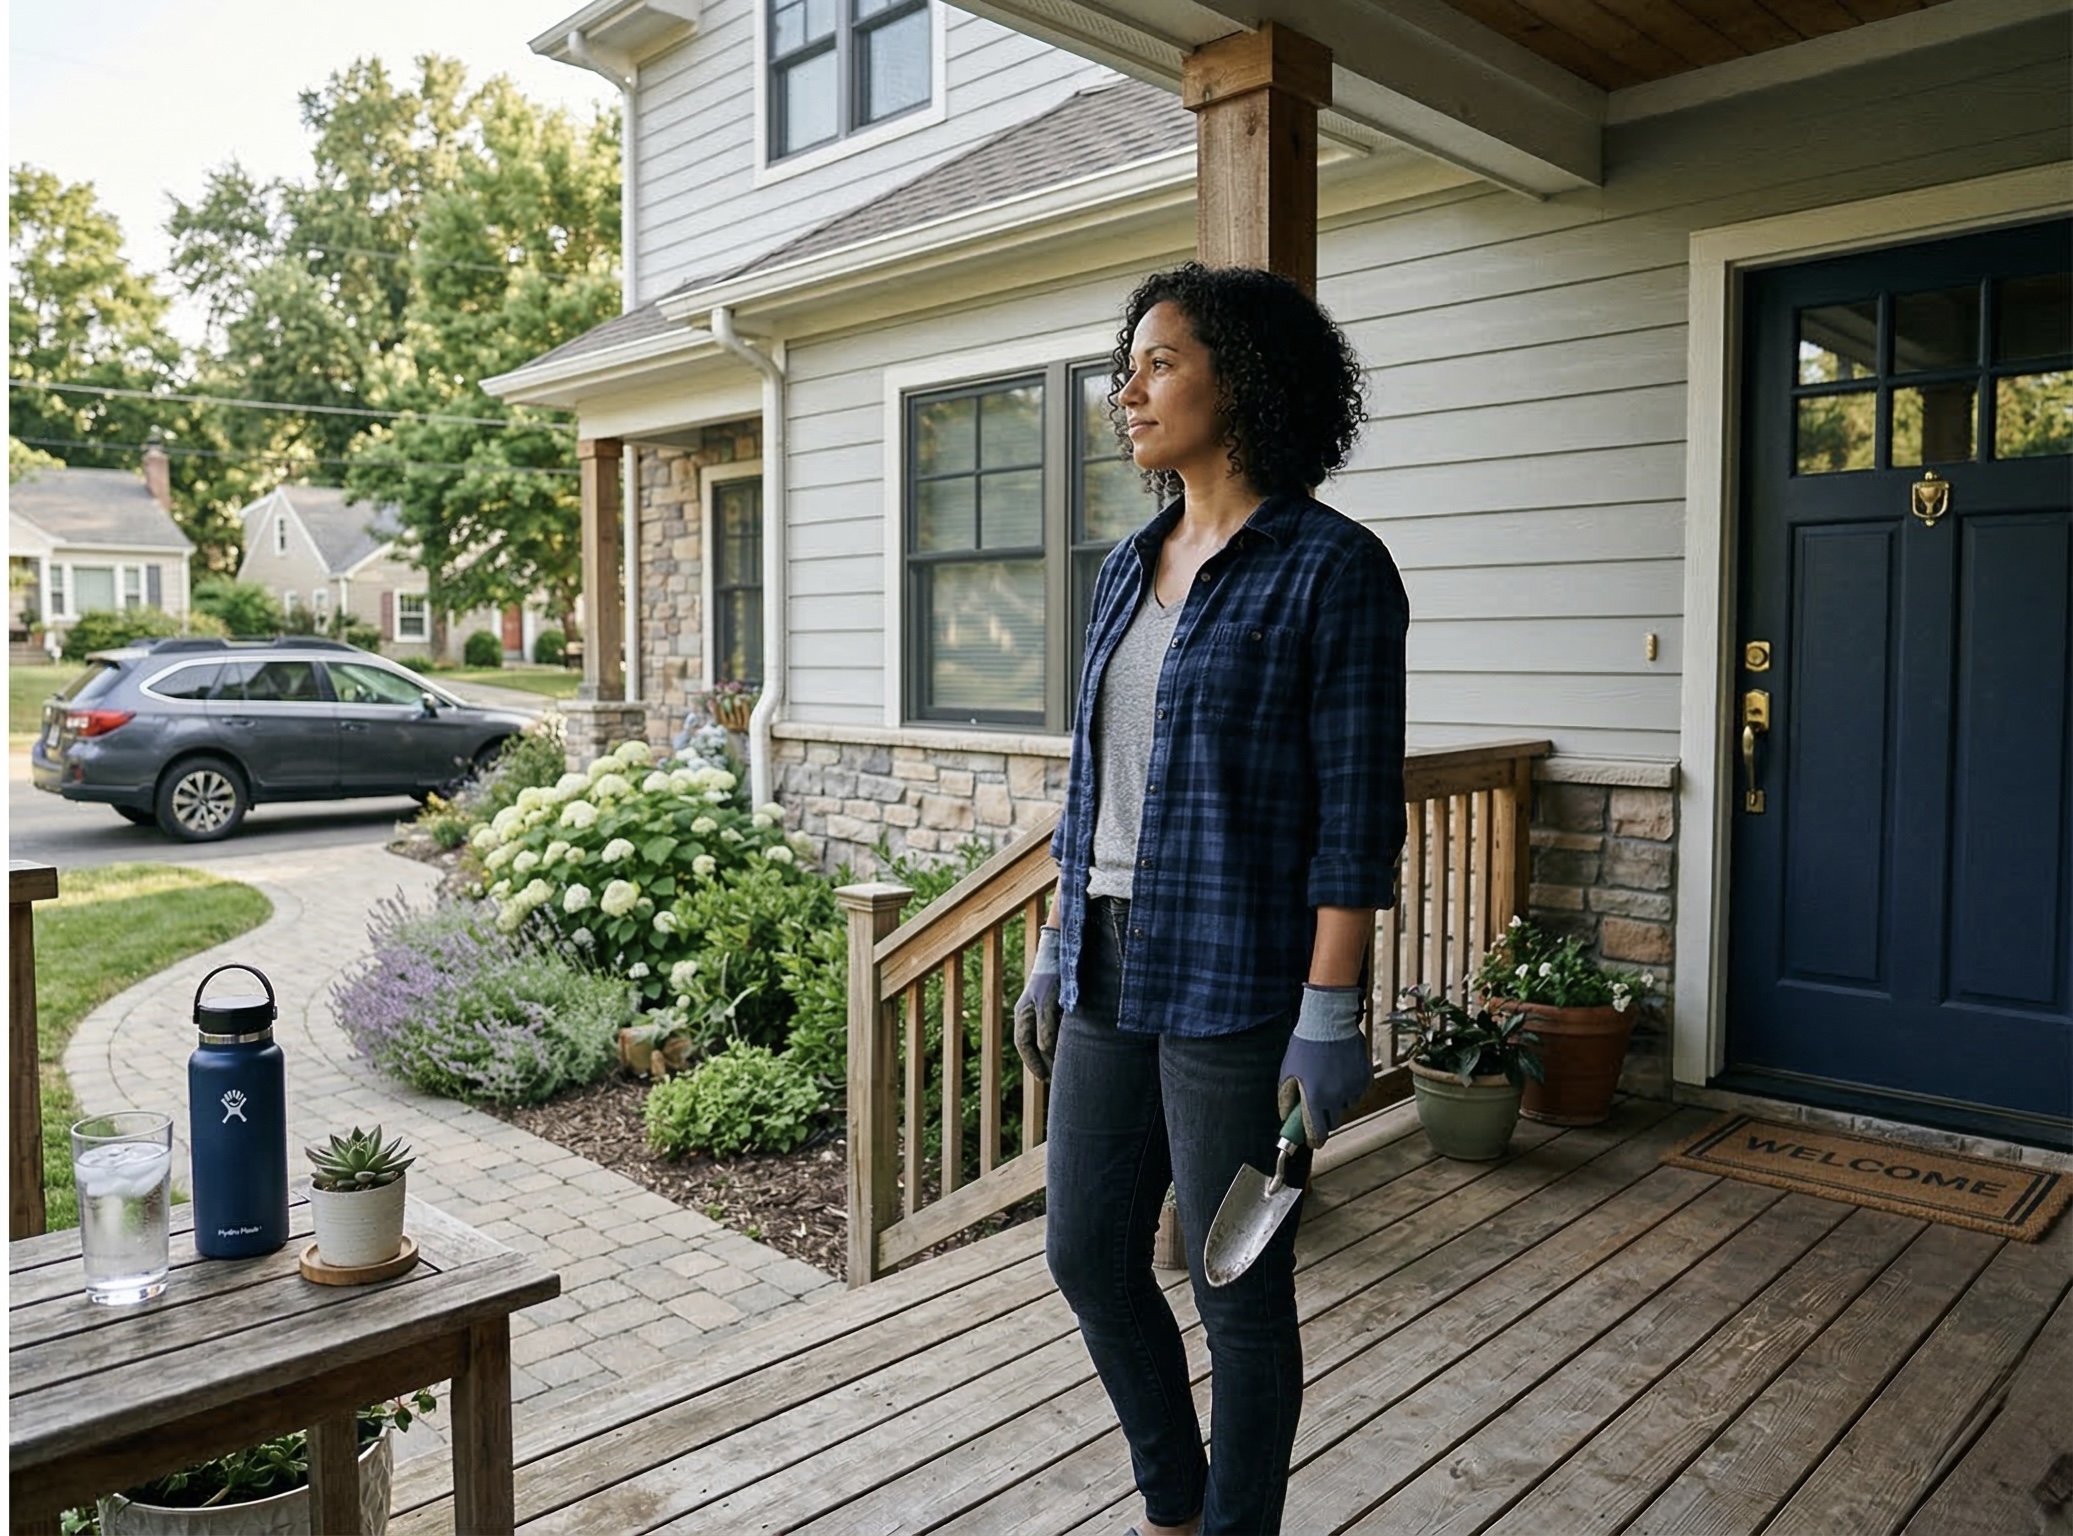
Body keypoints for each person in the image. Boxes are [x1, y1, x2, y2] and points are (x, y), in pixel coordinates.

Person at [1013, 263, 1408, 1535]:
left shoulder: (1332, 570)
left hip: (1242, 986)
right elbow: (1093, 781)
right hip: (1108, 963)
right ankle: (1173, 1500)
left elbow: (1354, 816)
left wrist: (1330, 1012)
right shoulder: (1128, 566)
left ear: (1241, 379)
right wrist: (1056, 935)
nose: (1127, 391)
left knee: (1236, 1275)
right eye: (1127, 366)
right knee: (1085, 1252)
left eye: (1160, 363)